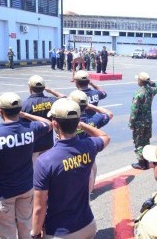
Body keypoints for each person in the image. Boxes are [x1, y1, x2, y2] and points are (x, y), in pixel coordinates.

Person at [30, 99, 111, 239]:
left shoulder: (45, 161)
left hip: (60, 232)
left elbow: (39, 207)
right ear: (78, 121)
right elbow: (105, 136)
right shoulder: (89, 146)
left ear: (55, 123)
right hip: (88, 224)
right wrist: (82, 124)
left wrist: (35, 233)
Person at [0, 92, 52, 238]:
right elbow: (48, 123)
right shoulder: (30, 130)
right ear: (19, 110)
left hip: (3, 194)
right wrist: (26, 116)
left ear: (0, 111)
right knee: (26, 227)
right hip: (26, 189)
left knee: (7, 232)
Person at [69, 90, 113, 192]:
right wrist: (91, 106)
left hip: (74, 154)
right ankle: (90, 188)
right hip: (90, 150)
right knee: (92, 166)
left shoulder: (69, 122)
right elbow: (109, 114)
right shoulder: (94, 119)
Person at [22, 75, 66, 164]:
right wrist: (50, 90)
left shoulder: (24, 105)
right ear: (43, 88)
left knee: (34, 174)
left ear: (30, 88)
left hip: (33, 146)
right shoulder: (52, 101)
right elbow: (64, 98)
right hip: (48, 144)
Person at [129, 72, 157, 170]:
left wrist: (131, 123)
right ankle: (146, 161)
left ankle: (141, 163)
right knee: (146, 141)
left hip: (139, 122)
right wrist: (150, 82)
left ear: (140, 81)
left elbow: (134, 110)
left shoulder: (139, 93)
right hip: (148, 121)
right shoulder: (150, 90)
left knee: (138, 142)